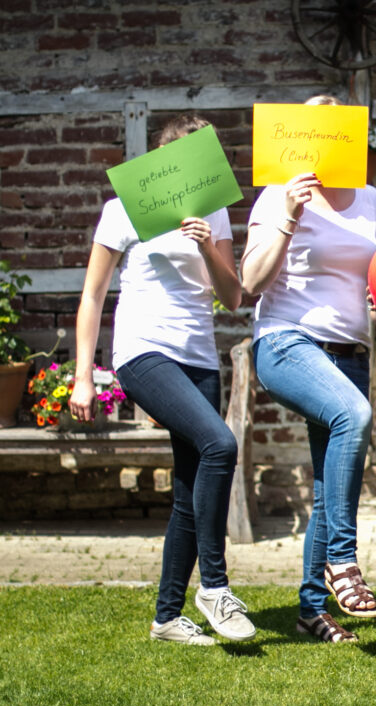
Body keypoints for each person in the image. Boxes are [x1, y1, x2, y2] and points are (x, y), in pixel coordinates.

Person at [69, 114, 254, 646]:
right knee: (220, 443)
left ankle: (166, 617)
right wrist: (84, 376)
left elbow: (232, 296)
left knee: (190, 486)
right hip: (142, 350)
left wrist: (203, 244)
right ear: (162, 159)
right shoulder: (122, 209)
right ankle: (215, 587)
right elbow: (92, 294)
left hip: (198, 356)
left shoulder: (214, 210)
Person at [240, 95, 376, 644]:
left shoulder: (371, 200)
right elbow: (250, 283)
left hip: (350, 351)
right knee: (355, 414)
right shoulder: (276, 196)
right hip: (287, 342)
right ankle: (343, 560)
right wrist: (288, 214)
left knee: (330, 486)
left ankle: (310, 610)